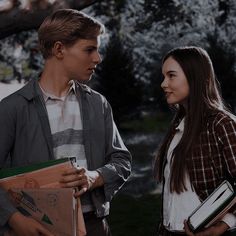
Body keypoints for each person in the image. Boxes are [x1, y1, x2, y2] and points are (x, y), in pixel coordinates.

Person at [0, 9, 131, 236]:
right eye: (89, 49)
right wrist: (15, 218)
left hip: (94, 225)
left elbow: (122, 161)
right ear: (59, 49)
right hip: (38, 227)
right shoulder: (12, 108)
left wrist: (94, 177)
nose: (97, 58)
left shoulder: (98, 104)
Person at [154, 46, 236, 236]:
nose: (163, 84)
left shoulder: (222, 124)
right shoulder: (179, 127)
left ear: (194, 76)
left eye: (171, 75)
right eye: (163, 76)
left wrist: (223, 225)